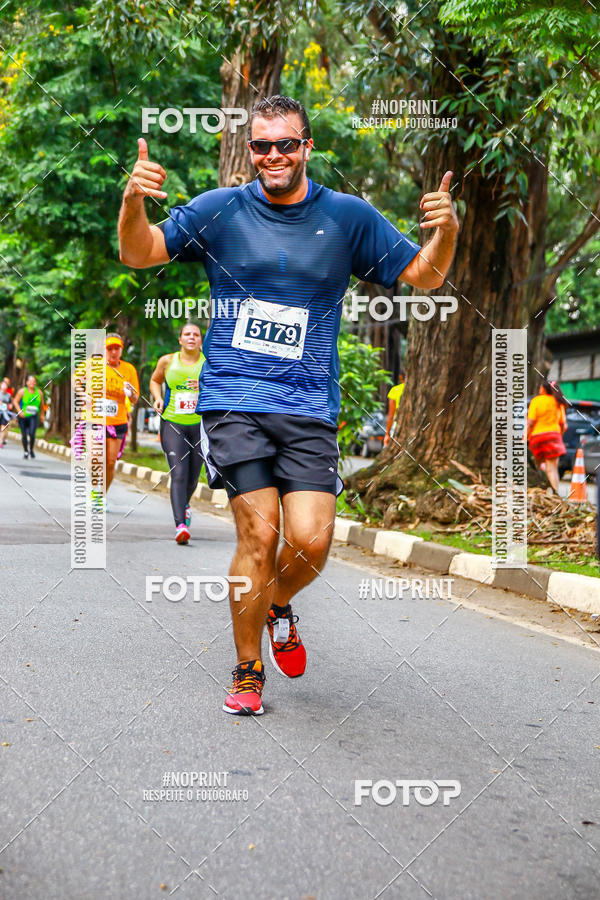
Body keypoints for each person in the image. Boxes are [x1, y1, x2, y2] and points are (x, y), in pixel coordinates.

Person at [118, 94, 459, 716]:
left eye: (284, 144)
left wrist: (448, 232)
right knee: (259, 531)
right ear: (249, 150)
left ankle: (275, 604)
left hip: (308, 405)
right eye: (260, 145)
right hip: (235, 401)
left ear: (306, 147)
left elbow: (426, 277)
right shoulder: (220, 211)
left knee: (311, 542)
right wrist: (132, 203)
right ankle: (248, 669)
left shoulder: (349, 218)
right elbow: (138, 253)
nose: (271, 155)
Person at [149, 322, 205, 544]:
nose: (192, 337)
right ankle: (180, 525)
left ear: (201, 340)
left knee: (192, 478)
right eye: (187, 334)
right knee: (179, 474)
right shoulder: (167, 361)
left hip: (201, 426)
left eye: (196, 335)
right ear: (180, 339)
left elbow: (221, 386)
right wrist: (158, 397)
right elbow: (155, 380)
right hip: (173, 423)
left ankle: (185, 505)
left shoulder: (208, 363)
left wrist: (203, 385)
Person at [73, 334, 140, 504]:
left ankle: (101, 496)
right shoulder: (91, 364)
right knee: (96, 457)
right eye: (109, 348)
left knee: (110, 462)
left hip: (117, 421)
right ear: (104, 349)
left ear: (121, 350)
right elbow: (75, 380)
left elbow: (135, 398)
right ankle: (95, 488)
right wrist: (83, 394)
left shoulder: (129, 370)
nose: (113, 352)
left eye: (116, 348)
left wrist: (130, 393)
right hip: (93, 418)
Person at [527, 379, 568, 493]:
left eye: (540, 387)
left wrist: (524, 438)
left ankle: (537, 493)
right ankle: (554, 496)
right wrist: (558, 436)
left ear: (544, 389)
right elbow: (564, 426)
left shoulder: (537, 401)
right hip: (554, 437)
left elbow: (530, 422)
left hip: (537, 438)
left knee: (536, 468)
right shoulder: (558, 402)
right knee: (552, 469)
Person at [13, 375, 44, 459]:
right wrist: (19, 411)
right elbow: (15, 401)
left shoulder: (39, 393)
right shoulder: (22, 391)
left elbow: (42, 405)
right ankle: (26, 451)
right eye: (30, 381)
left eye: (34, 381)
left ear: (35, 383)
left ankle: (31, 449)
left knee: (32, 433)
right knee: (24, 434)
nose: (32, 383)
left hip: (33, 416)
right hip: (23, 416)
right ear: (26, 382)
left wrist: (42, 415)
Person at [384, 373, 405, 447]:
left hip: (398, 427)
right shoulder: (418, 390)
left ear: (400, 377)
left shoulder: (395, 390)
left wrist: (387, 433)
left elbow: (391, 415)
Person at [0, 377, 15, 446]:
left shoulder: (9, 394)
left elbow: (11, 402)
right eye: (3, 384)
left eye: (6, 385)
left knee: (4, 426)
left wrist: (11, 405)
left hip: (5, 413)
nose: (4, 386)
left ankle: (1, 441)